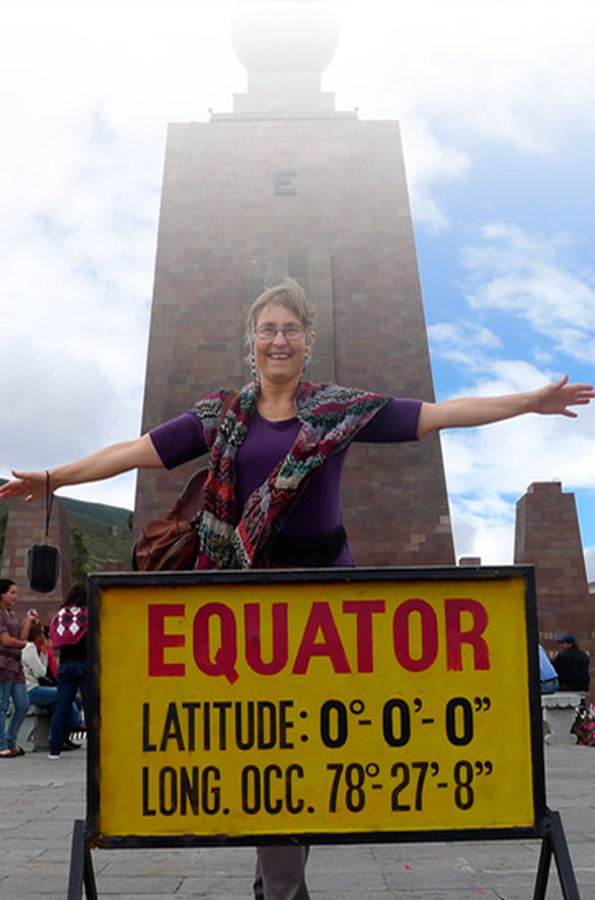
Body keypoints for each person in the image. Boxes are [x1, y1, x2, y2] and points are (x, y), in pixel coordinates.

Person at [0, 280, 593, 897]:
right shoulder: (221, 416)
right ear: (250, 343)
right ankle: (282, 889)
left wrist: (530, 402)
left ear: (308, 342)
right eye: (267, 330)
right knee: (268, 745)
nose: (278, 340)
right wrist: (52, 477)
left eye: (290, 330)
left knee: (310, 744)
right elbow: (135, 451)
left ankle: (276, 883)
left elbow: (437, 416)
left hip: (327, 605)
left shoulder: (338, 408)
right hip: (244, 609)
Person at [22, 620, 83, 751]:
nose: (44, 637)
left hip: (36, 688)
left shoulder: (33, 649)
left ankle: (56, 738)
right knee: (65, 695)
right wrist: (43, 654)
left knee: (58, 705)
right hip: (32, 690)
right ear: (37, 634)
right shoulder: (29, 649)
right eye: (42, 634)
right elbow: (40, 673)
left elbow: (42, 670)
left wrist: (44, 652)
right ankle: (78, 723)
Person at [46, 582, 89, 760]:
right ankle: (96, 748)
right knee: (90, 707)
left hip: (64, 666)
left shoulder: (60, 615)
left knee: (62, 707)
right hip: (84, 664)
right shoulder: (88, 614)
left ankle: (54, 748)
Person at [0, 579, 38, 758]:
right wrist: (21, 644)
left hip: (16, 665)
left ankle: (11, 741)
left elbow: (20, 638)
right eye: (12, 592)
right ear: (2, 594)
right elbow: (6, 640)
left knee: (22, 703)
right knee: (3, 704)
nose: (15, 596)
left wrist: (29, 621)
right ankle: (2, 743)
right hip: (4, 664)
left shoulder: (12, 614)